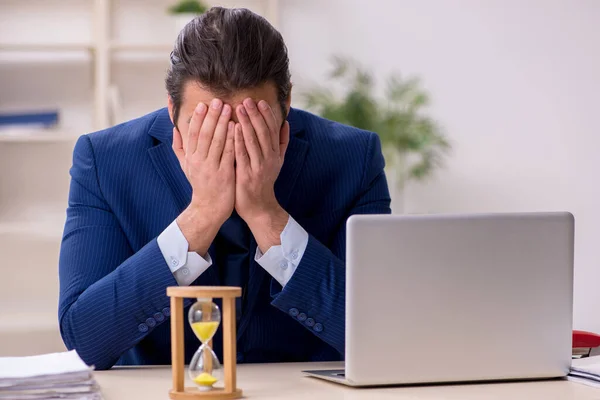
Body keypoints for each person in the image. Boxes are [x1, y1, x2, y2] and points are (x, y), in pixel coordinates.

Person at [58, 7, 391, 370]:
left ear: (286, 105)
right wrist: (201, 216)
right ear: (172, 110)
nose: (228, 145)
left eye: (252, 124)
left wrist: (267, 215)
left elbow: (382, 333)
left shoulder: (353, 159)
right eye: (206, 126)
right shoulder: (105, 161)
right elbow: (84, 342)